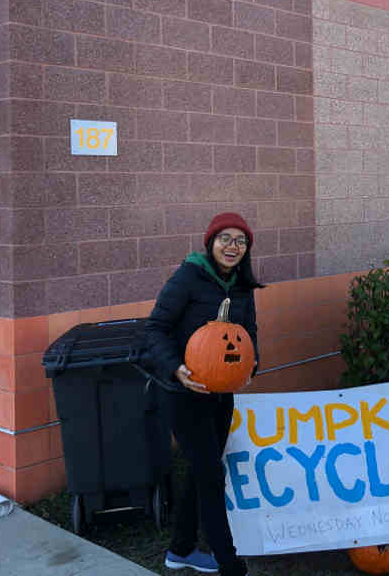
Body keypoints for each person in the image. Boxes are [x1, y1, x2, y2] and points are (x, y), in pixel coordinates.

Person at [145, 212, 263, 575]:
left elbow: (249, 335)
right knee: (211, 474)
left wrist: (249, 368)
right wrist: (176, 369)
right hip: (182, 394)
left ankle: (180, 549)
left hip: (220, 394)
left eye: (240, 241)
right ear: (210, 243)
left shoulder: (242, 286)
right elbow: (155, 329)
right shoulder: (188, 278)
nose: (232, 246)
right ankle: (230, 563)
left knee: (202, 470)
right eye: (225, 238)